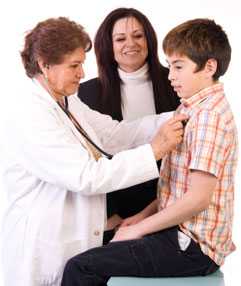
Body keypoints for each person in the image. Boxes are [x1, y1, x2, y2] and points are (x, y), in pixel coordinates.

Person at [0, 17, 185, 286]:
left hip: (72, 240)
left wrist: (178, 114)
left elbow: (113, 134)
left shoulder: (65, 100)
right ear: (44, 64)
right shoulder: (29, 113)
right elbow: (87, 177)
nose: (82, 74)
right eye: (74, 65)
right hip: (41, 249)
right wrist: (154, 151)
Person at [61, 18, 238, 286]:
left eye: (178, 67)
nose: (171, 76)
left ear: (209, 67)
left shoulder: (209, 117)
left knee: (81, 267)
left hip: (192, 247)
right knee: (95, 245)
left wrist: (140, 229)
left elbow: (198, 199)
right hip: (176, 233)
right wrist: (140, 218)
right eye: (170, 66)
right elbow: (176, 188)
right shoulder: (190, 108)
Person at [78, 8, 180, 225]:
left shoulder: (177, 83)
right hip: (114, 213)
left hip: (170, 205)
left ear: (149, 39)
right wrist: (111, 216)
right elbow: (88, 162)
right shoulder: (85, 93)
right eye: (120, 38)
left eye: (138, 35)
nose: (130, 44)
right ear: (108, 45)